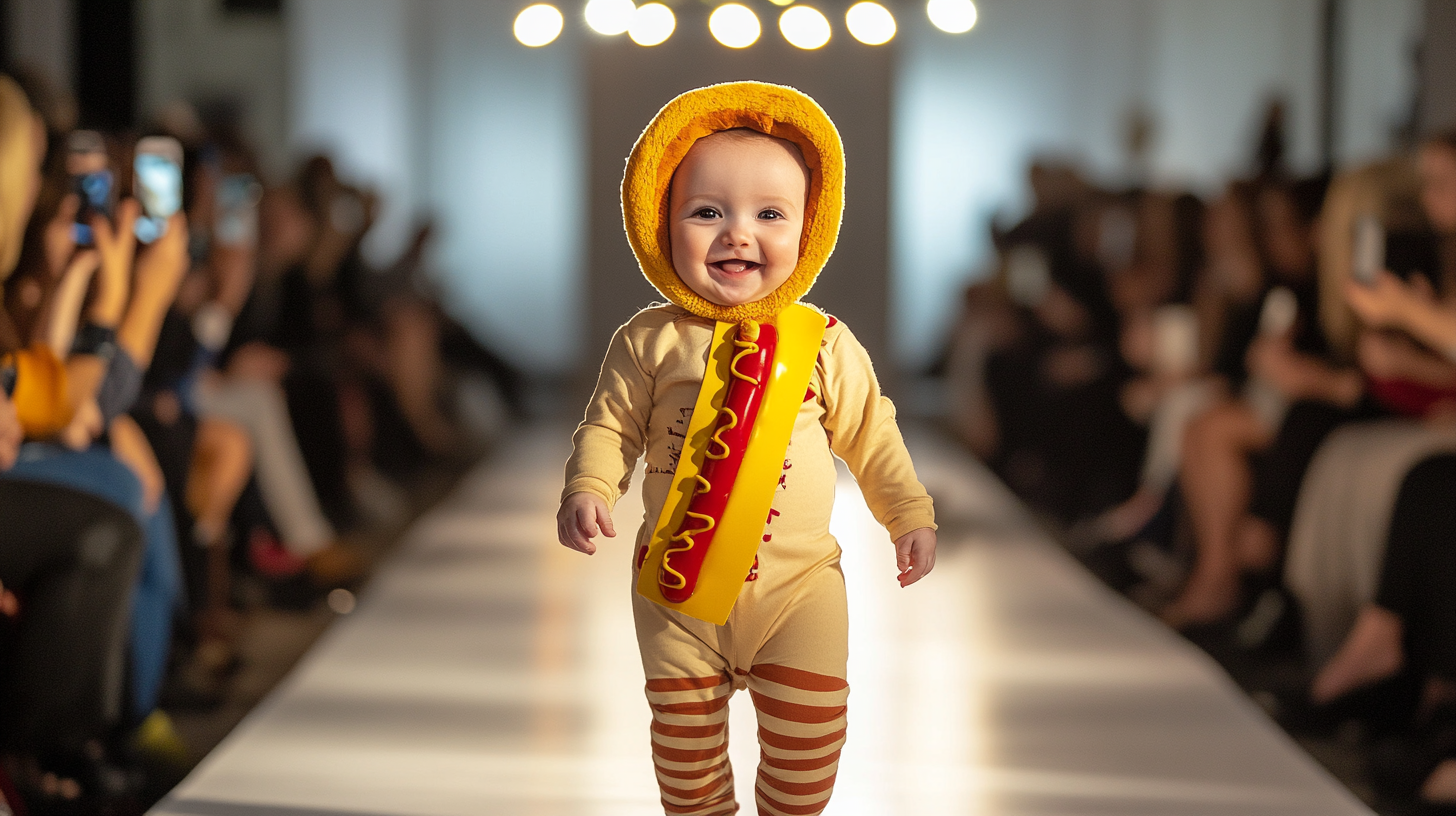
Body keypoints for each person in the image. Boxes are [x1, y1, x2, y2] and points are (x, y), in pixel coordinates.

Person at [556, 83, 936, 816]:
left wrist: (907, 513)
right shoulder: (648, 340)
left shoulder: (823, 341)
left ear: (809, 229)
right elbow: (608, 427)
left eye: (769, 214)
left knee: (808, 756)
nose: (738, 233)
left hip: (801, 593)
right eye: (707, 212)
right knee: (685, 762)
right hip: (676, 592)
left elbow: (872, 433)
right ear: (658, 223)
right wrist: (590, 489)